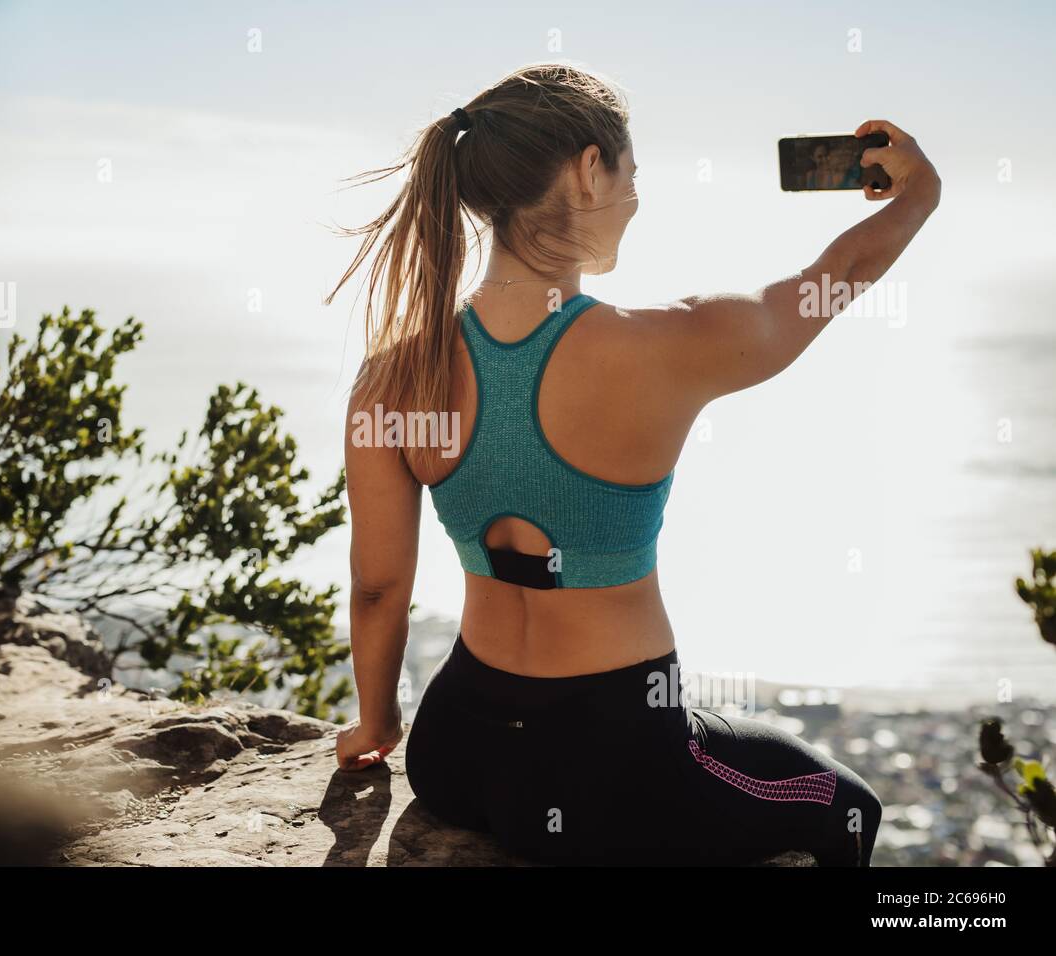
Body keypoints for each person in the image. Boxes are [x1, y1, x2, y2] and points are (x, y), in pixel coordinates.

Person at [326, 63, 940, 865]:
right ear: (589, 170)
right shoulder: (667, 345)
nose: (637, 198)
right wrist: (919, 194)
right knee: (847, 806)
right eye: (632, 173)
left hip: (456, 751)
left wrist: (376, 725)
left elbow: (378, 587)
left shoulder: (392, 375)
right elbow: (834, 282)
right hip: (604, 766)